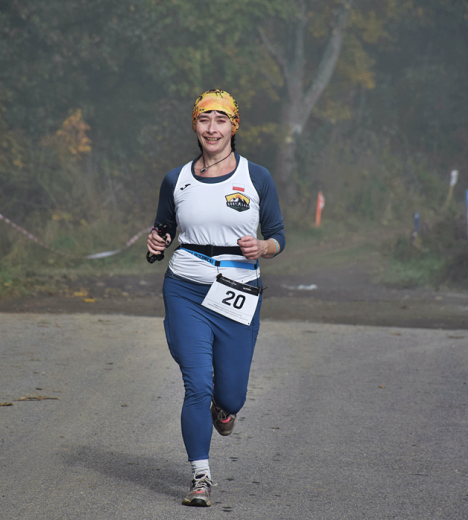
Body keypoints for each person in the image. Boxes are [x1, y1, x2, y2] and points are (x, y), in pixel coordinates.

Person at [146, 89, 286, 507]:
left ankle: (223, 412)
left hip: (238, 293)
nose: (212, 128)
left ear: (234, 126)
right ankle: (200, 477)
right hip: (186, 288)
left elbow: (278, 236)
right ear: (195, 125)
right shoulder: (177, 179)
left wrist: (263, 248)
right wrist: (156, 244)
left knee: (231, 397)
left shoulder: (256, 176)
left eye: (221, 120)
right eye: (204, 119)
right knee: (197, 385)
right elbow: (163, 230)